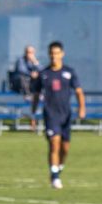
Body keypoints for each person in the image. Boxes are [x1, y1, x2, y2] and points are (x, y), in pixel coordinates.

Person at [30, 41, 86, 188]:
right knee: (54, 143)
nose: (54, 56)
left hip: (66, 115)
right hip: (50, 115)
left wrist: (82, 108)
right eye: (51, 54)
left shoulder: (69, 72)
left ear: (62, 54)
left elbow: (79, 91)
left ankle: (58, 167)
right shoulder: (44, 74)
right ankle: (54, 176)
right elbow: (36, 95)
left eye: (56, 53)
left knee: (65, 148)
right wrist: (33, 114)